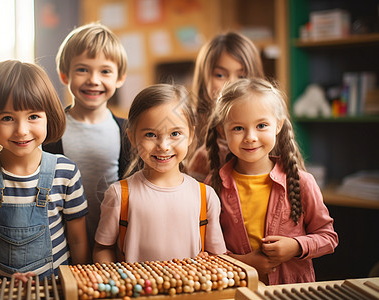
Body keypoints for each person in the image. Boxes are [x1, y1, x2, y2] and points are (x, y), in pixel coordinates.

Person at [0, 60, 90, 283]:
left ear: (49, 116)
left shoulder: (66, 172)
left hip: (58, 289)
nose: (21, 130)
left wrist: (78, 285)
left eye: (33, 116)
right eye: (7, 118)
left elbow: (78, 240)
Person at [205, 78, 338, 285]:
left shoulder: (302, 181)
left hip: (292, 291)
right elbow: (206, 249)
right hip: (238, 290)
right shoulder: (213, 185)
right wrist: (243, 263)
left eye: (261, 125)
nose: (250, 137)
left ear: (278, 125)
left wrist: (296, 246)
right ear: (223, 131)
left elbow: (328, 238)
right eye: (238, 128)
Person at [93, 84, 226, 263]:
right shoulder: (119, 195)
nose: (163, 145)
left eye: (175, 133)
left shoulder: (206, 196)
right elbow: (103, 249)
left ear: (191, 135)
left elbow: (217, 257)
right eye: (150, 135)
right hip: (134, 290)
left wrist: (208, 260)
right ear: (132, 137)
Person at [43, 22, 130, 250]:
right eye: (82, 69)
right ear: (64, 75)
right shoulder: (48, 131)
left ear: (119, 78)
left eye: (105, 71)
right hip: (60, 248)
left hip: (114, 247)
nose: (93, 79)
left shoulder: (129, 133)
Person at [188, 31, 265, 182]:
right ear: (204, 79)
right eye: (220, 75)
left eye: (241, 76)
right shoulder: (187, 126)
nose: (232, 84)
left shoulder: (268, 126)